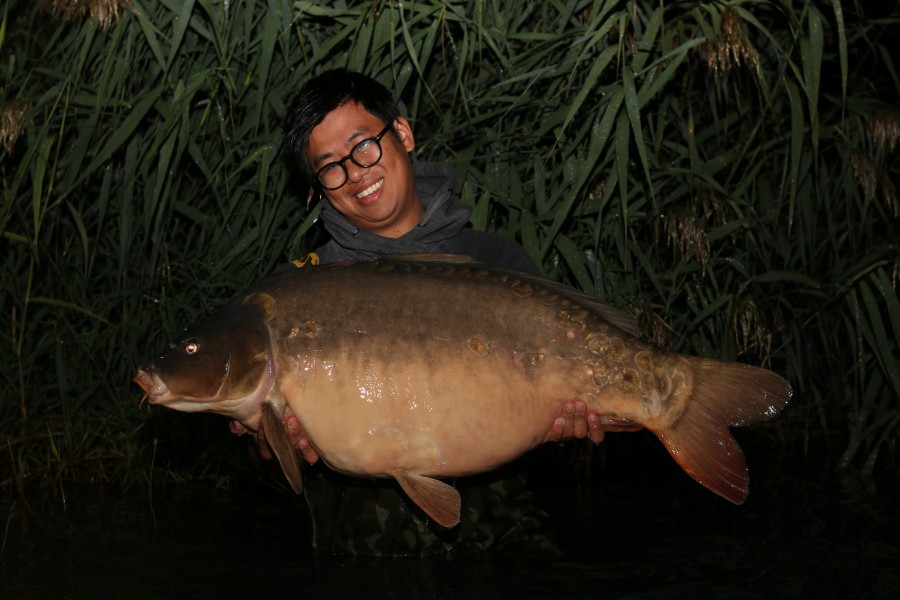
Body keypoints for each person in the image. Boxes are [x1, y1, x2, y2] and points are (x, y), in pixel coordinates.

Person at [233, 69, 606, 556]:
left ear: (403, 134)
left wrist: (564, 428)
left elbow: (550, 438)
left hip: (504, 545)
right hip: (365, 557)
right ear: (320, 186)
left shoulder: (496, 263)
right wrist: (267, 443)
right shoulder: (299, 290)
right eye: (330, 167)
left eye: (363, 145)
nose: (356, 172)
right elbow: (269, 470)